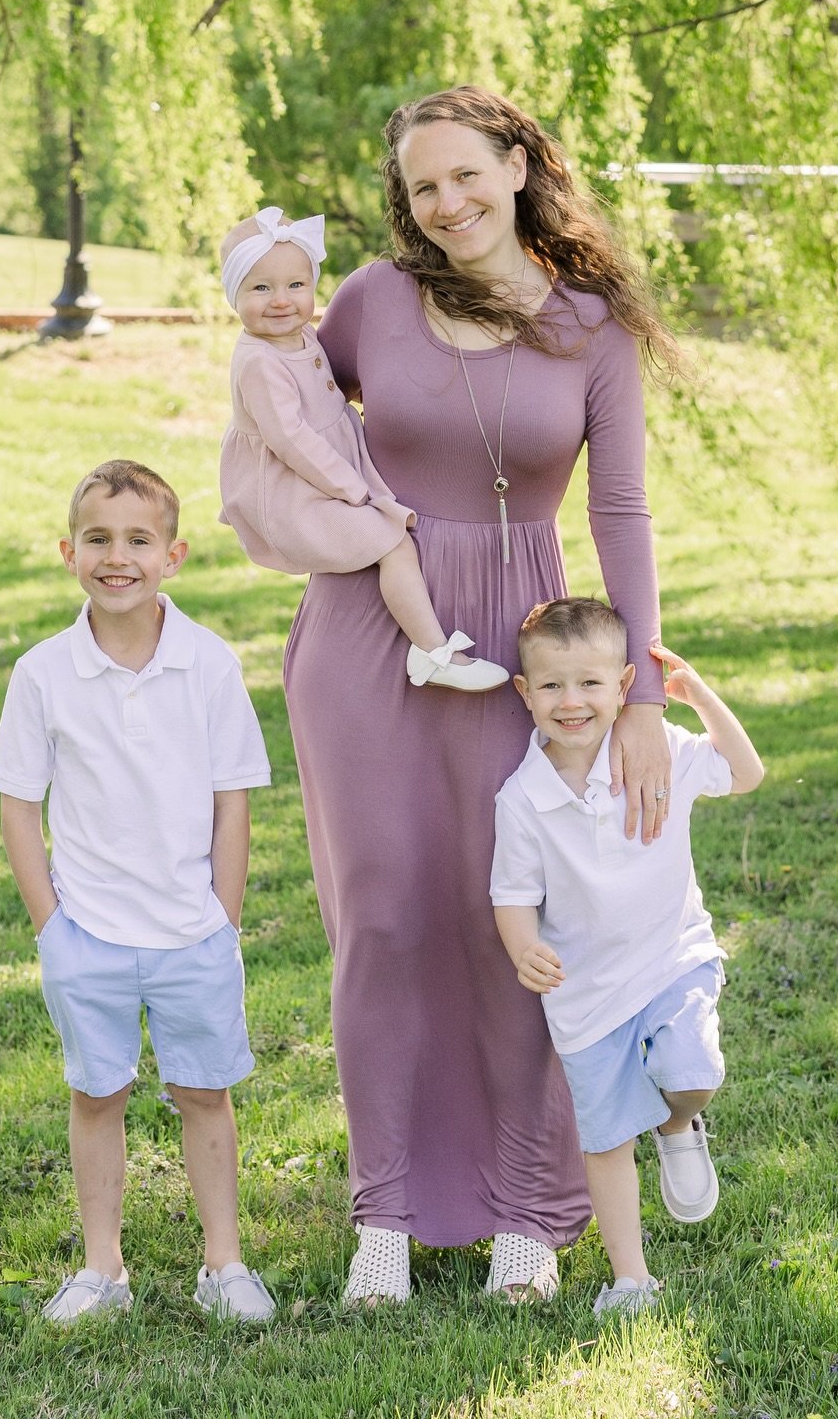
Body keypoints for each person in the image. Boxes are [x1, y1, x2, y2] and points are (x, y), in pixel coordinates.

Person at [282, 85, 681, 1306]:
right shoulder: (368, 302)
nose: (444, 204)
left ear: (517, 164)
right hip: (366, 640)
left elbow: (618, 510)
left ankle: (525, 1208)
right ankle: (385, 1217)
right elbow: (280, 412)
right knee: (384, 922)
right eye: (420, 189)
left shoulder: (592, 325)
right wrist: (323, 523)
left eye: (463, 174)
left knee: (524, 927)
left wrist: (644, 695)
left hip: (528, 648)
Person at [0, 458, 276, 1324]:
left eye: (139, 540)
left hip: (192, 932)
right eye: (99, 539)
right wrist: (54, 929)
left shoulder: (209, 664)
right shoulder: (42, 673)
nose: (118, 558)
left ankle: (223, 1264)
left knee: (204, 1093)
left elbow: (234, 805)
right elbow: (17, 808)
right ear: (68, 551)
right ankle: (104, 1269)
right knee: (96, 1094)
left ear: (175, 555)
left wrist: (222, 922)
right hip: (90, 938)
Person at [491, 598, 765, 1317]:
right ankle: (631, 1278)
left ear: (622, 685)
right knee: (607, 1138)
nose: (571, 701)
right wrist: (524, 948)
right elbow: (512, 893)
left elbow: (745, 773)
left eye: (590, 683)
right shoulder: (523, 797)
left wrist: (698, 696)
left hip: (673, 957)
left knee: (691, 1074)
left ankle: (680, 1124)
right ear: (525, 693)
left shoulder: (660, 751)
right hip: (584, 996)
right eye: (551, 686)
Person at [218, 204, 508, 691]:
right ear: (234, 295)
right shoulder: (259, 362)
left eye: (296, 285)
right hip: (298, 490)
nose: (281, 300)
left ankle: (429, 647)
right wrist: (351, 488)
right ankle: (432, 652)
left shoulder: (299, 336)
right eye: (260, 288)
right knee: (392, 543)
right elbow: (292, 440)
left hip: (327, 471)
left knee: (393, 537)